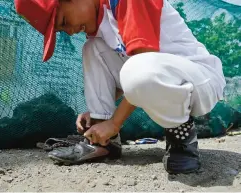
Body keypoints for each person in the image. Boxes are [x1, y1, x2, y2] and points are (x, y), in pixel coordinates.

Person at [14, 0, 226, 174]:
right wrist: (100, 116)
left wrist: (115, 123)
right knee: (93, 48)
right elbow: (134, 81)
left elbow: (143, 70)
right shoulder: (102, 24)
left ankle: (181, 138)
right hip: (163, 77)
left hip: (200, 80)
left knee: (138, 67)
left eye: (63, 21)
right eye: (62, 30)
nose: (69, 32)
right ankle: (103, 142)